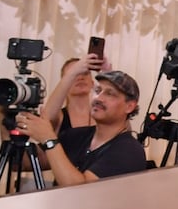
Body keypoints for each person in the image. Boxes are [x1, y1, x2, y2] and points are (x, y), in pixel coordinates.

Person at [17, 71, 148, 185]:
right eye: (97, 91)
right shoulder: (76, 136)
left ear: (129, 106)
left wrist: (49, 139)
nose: (99, 98)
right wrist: (4, 111)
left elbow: (81, 191)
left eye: (110, 94)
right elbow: (21, 162)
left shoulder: (129, 151)